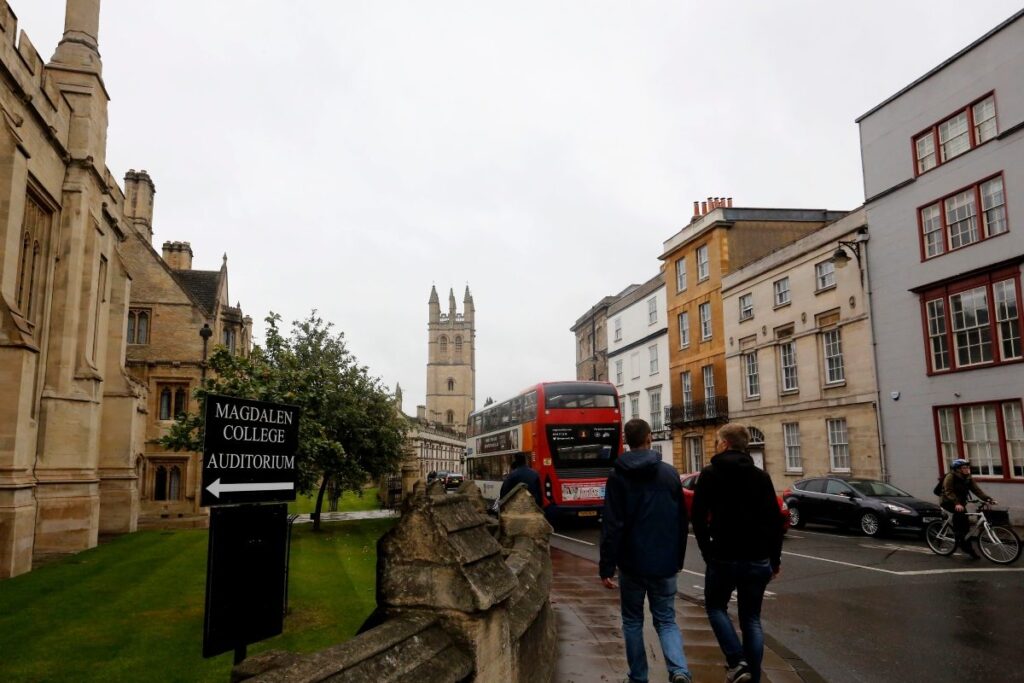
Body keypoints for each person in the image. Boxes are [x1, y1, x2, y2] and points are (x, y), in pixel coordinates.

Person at [599, 418, 692, 683]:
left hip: (632, 564)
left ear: (627, 441)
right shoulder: (669, 473)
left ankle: (639, 677)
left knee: (632, 621)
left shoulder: (617, 476)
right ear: (649, 438)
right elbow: (681, 521)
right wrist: (678, 558)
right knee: (666, 620)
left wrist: (607, 566)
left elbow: (612, 525)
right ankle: (679, 670)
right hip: (664, 562)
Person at [692, 424, 783, 683]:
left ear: (725, 444)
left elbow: (698, 518)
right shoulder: (760, 476)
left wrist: (707, 551)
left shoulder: (710, 474)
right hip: (757, 557)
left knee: (715, 607)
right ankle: (752, 677)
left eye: (717, 441)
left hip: (723, 555)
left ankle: (736, 660)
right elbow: (773, 522)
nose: (716, 444)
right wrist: (774, 560)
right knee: (751, 618)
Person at [940, 458, 996, 559]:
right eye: (964, 467)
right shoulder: (950, 476)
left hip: (960, 503)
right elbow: (948, 491)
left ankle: (968, 548)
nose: (967, 469)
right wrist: (956, 503)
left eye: (967, 467)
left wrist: (988, 499)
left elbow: (976, 490)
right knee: (960, 518)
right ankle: (958, 538)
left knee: (966, 526)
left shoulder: (968, 478)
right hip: (948, 501)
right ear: (957, 469)